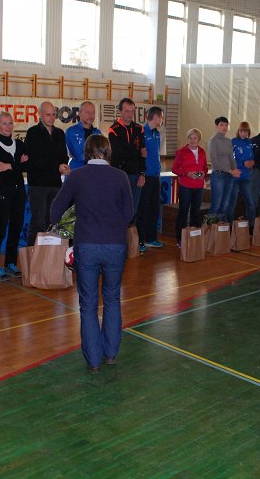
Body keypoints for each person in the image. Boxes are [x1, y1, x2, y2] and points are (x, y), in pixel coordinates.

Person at [50, 134, 132, 374]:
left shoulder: (76, 176)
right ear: (108, 152)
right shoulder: (120, 176)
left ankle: (94, 360)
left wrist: (73, 220)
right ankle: (111, 354)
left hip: (86, 245)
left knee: (87, 304)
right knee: (112, 299)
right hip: (115, 245)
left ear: (86, 152)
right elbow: (129, 213)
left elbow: (55, 211)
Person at [0, 111, 28, 279]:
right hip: (1, 194)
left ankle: (10, 262)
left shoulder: (20, 144)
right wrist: (18, 164)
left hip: (18, 193)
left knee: (16, 229)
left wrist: (9, 166)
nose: (8, 126)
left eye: (10, 123)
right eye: (4, 123)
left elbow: (27, 166)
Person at [25, 101, 69, 245]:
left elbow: (63, 155)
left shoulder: (59, 133)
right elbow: (34, 160)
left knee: (52, 222)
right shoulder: (33, 133)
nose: (51, 118)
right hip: (38, 184)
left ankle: (49, 253)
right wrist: (56, 167)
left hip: (55, 183)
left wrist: (64, 166)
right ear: (40, 115)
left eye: (54, 114)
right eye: (48, 115)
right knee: (37, 222)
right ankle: (32, 252)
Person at [108, 98, 145, 220]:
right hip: (120, 174)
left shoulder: (139, 129)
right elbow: (118, 154)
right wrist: (135, 152)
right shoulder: (114, 130)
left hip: (136, 175)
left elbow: (143, 153)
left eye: (132, 111)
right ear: (120, 111)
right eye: (127, 111)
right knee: (119, 207)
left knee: (133, 209)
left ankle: (131, 231)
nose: (130, 114)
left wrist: (142, 173)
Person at [172, 128, 208, 243]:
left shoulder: (202, 151)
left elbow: (205, 168)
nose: (192, 140)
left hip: (199, 186)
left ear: (199, 139)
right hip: (186, 186)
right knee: (183, 211)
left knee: (196, 212)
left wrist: (203, 173)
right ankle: (180, 239)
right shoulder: (182, 152)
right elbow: (174, 169)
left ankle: (194, 238)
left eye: (195, 138)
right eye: (190, 138)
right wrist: (187, 174)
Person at [136, 106, 164, 250]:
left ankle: (151, 238)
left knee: (154, 208)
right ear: (156, 117)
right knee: (143, 208)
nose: (162, 120)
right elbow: (140, 155)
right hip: (146, 176)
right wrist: (142, 173)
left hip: (155, 175)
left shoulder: (157, 133)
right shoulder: (142, 132)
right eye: (161, 117)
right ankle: (140, 240)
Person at [207, 116, 241, 221]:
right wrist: (230, 170)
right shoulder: (213, 141)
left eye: (226, 125)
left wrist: (235, 169)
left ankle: (221, 228)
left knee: (224, 206)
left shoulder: (228, 141)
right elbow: (214, 161)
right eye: (221, 125)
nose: (224, 127)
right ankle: (210, 228)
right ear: (216, 126)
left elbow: (231, 157)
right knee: (216, 205)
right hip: (218, 175)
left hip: (229, 176)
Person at [227, 121, 256, 226]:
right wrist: (242, 163)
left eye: (245, 131)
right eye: (241, 131)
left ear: (248, 132)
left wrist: (252, 162)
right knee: (232, 203)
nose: (243, 133)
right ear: (238, 131)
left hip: (245, 177)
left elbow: (251, 158)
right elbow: (230, 159)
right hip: (235, 177)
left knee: (250, 203)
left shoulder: (249, 142)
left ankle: (251, 226)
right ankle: (229, 227)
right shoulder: (233, 142)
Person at [65, 101, 101, 170]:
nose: (91, 116)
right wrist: (96, 155)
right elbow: (79, 155)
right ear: (80, 113)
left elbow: (103, 155)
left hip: (94, 171)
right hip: (77, 171)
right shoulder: (71, 131)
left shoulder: (98, 133)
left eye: (93, 113)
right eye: (88, 112)